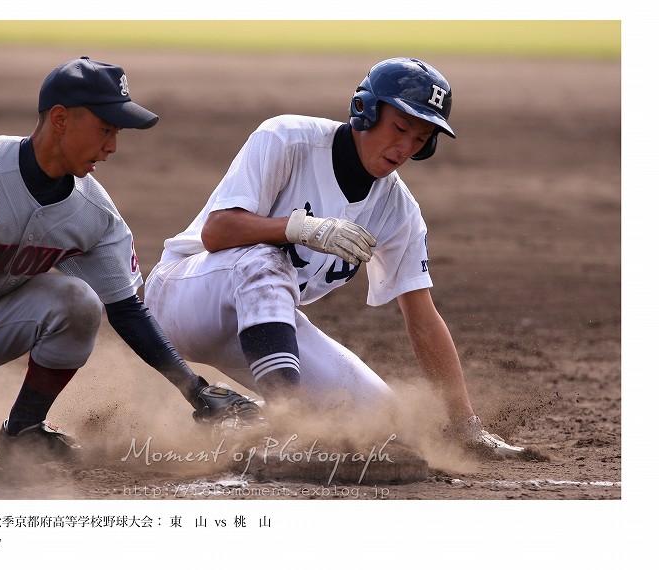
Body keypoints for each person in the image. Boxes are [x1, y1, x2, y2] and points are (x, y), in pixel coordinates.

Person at [143, 57, 523, 456]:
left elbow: (423, 319)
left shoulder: (398, 211)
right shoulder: (287, 139)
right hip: (184, 300)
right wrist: (303, 228)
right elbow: (218, 231)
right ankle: (287, 425)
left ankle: (242, 415)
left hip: (265, 333)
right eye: (400, 128)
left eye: (420, 138)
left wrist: (466, 427)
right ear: (366, 110)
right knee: (264, 261)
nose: (405, 147)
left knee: (382, 427)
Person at [0, 56, 263, 466]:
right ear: (60, 119)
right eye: (105, 130)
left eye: (117, 132)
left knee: (77, 302)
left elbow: (126, 310)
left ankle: (25, 432)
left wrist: (195, 390)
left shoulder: (93, 214)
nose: (112, 147)